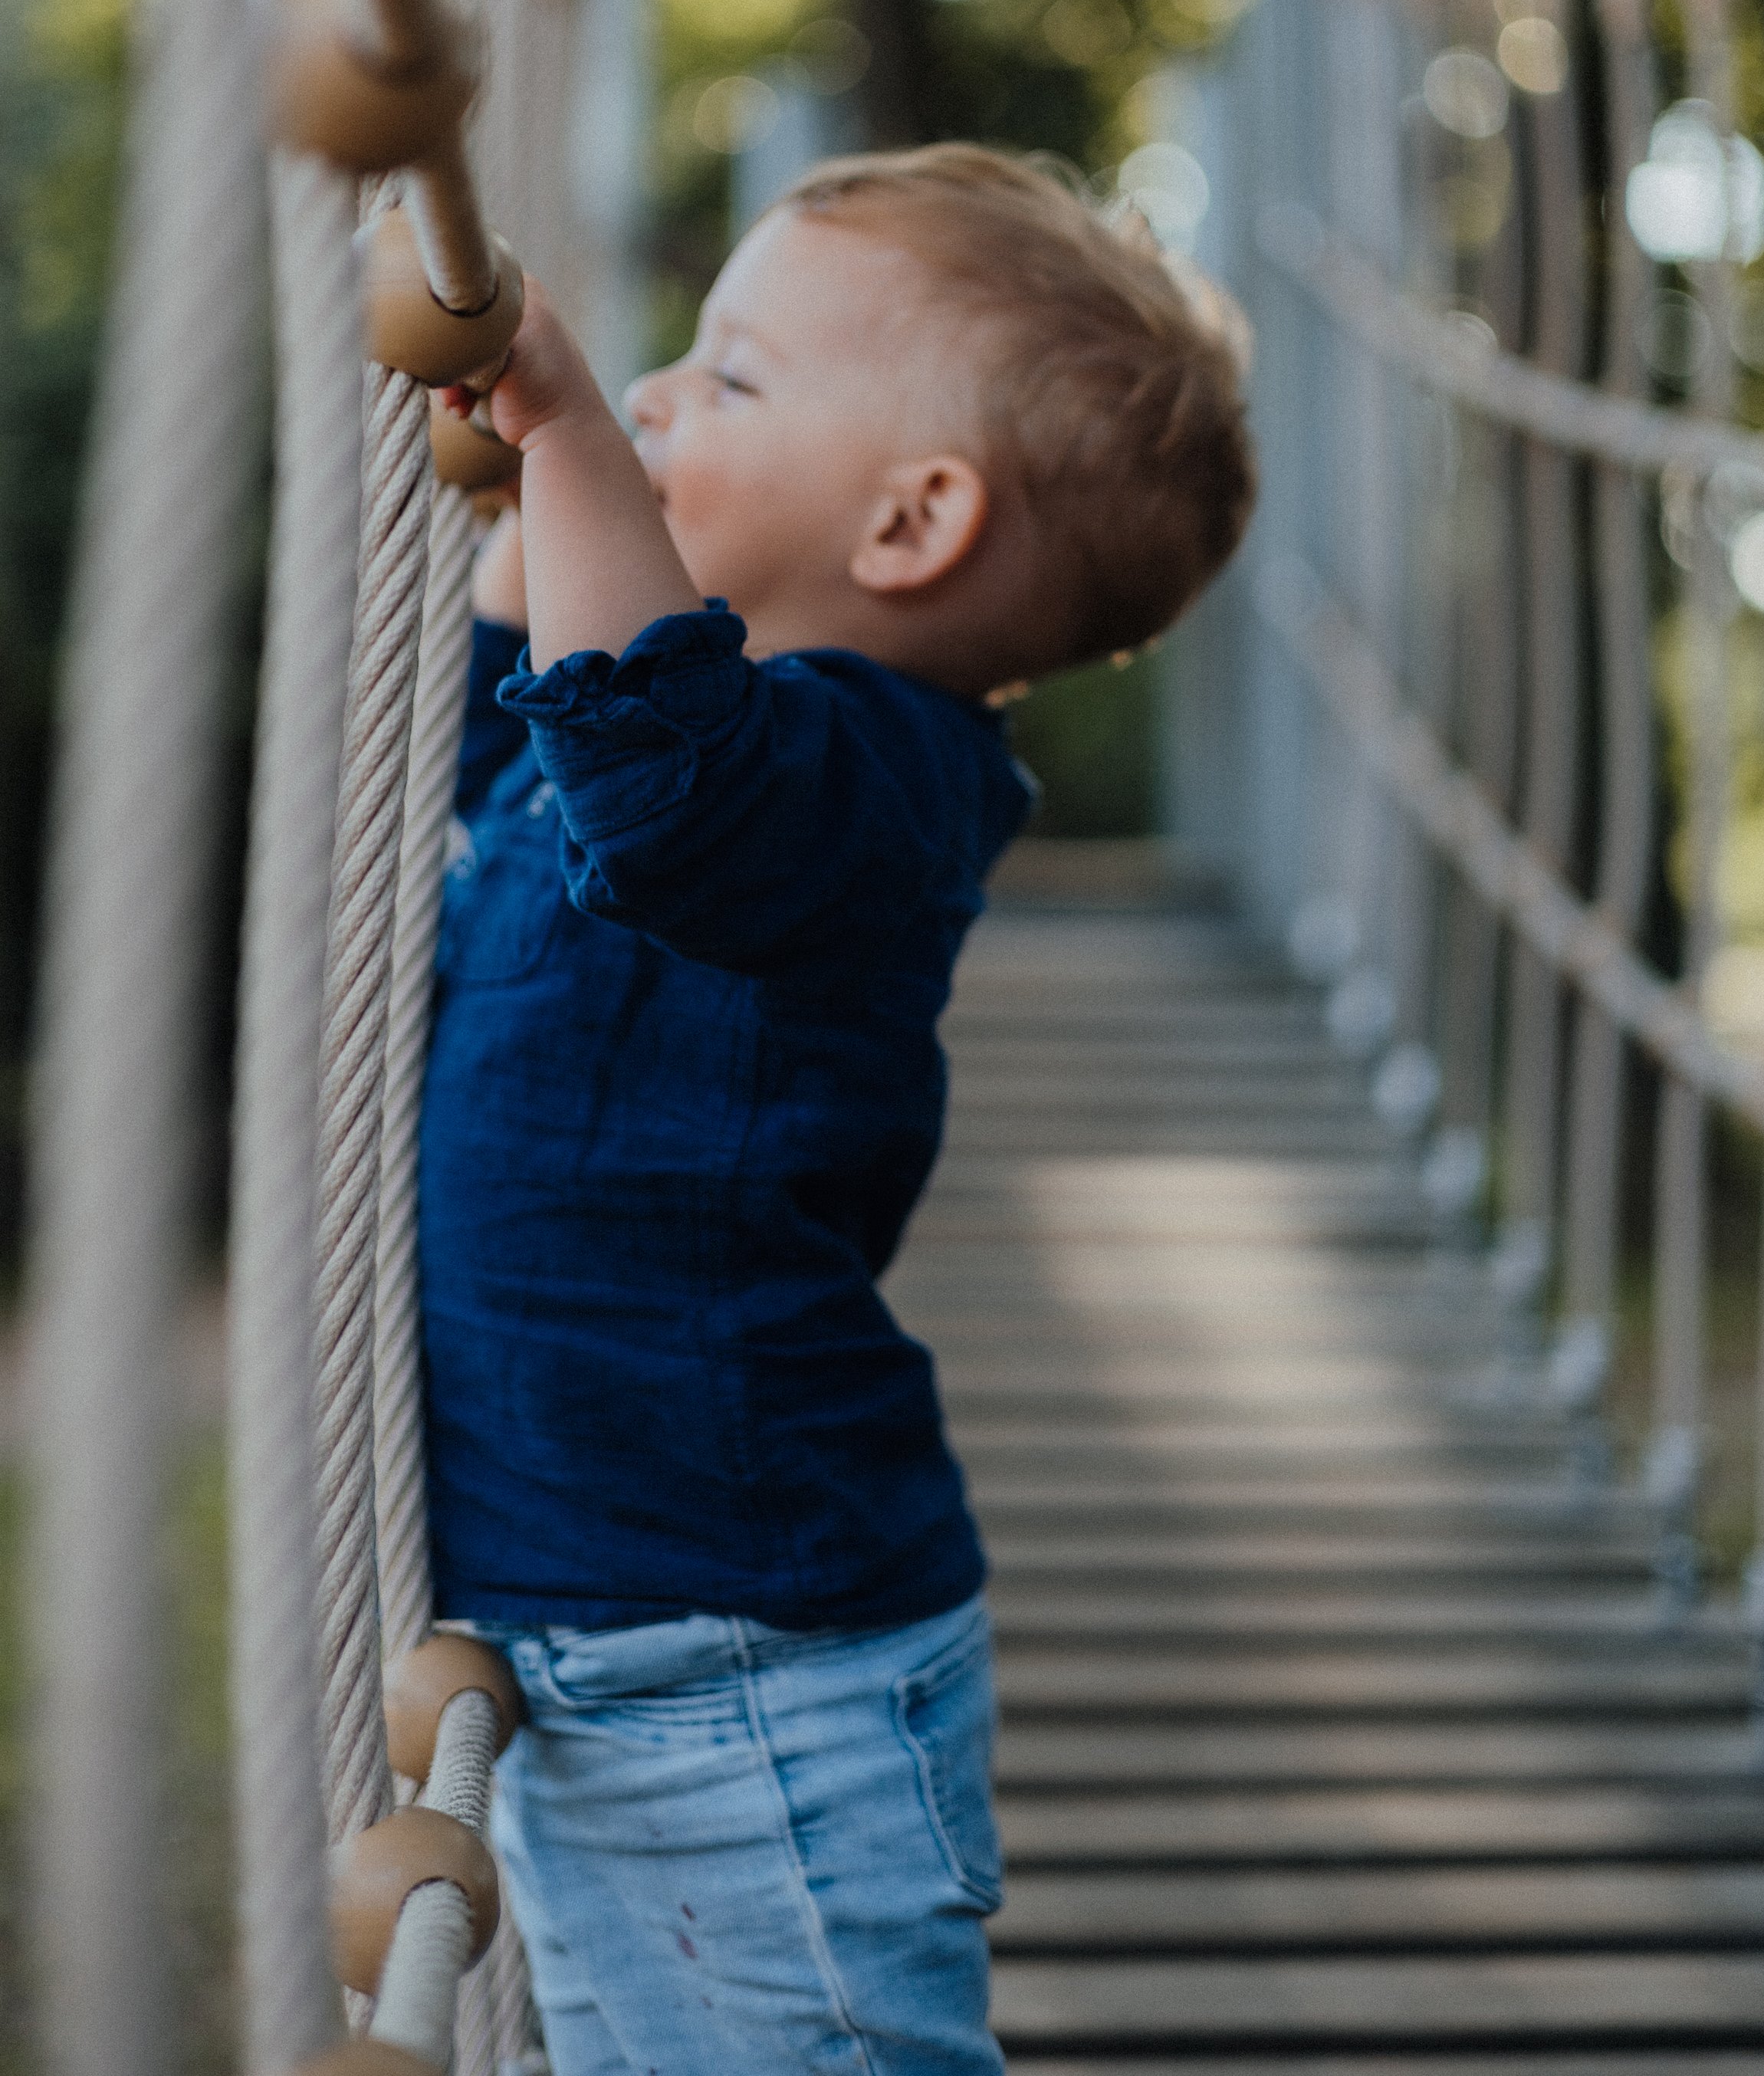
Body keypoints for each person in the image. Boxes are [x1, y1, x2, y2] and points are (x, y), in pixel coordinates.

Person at [421, 143, 1255, 2076]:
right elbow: (494, 746)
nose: (649, 398)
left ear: (910, 523)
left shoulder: (860, 783)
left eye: (728, 378)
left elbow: (663, 790)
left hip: (736, 1674)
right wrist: (528, 497)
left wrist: (563, 440)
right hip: (617, 1619)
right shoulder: (683, 740)